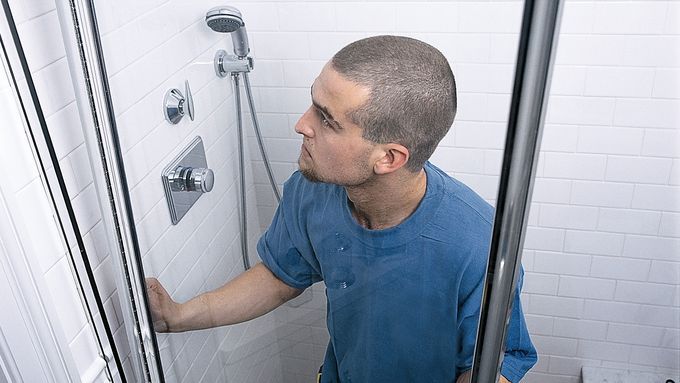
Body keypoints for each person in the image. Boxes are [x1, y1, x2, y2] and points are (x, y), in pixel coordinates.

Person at [147, 35, 537, 383]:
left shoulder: (478, 246)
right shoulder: (312, 189)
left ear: (388, 157)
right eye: (312, 103)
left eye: (327, 120)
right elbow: (280, 277)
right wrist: (178, 316)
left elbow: (494, 366)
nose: (301, 124)